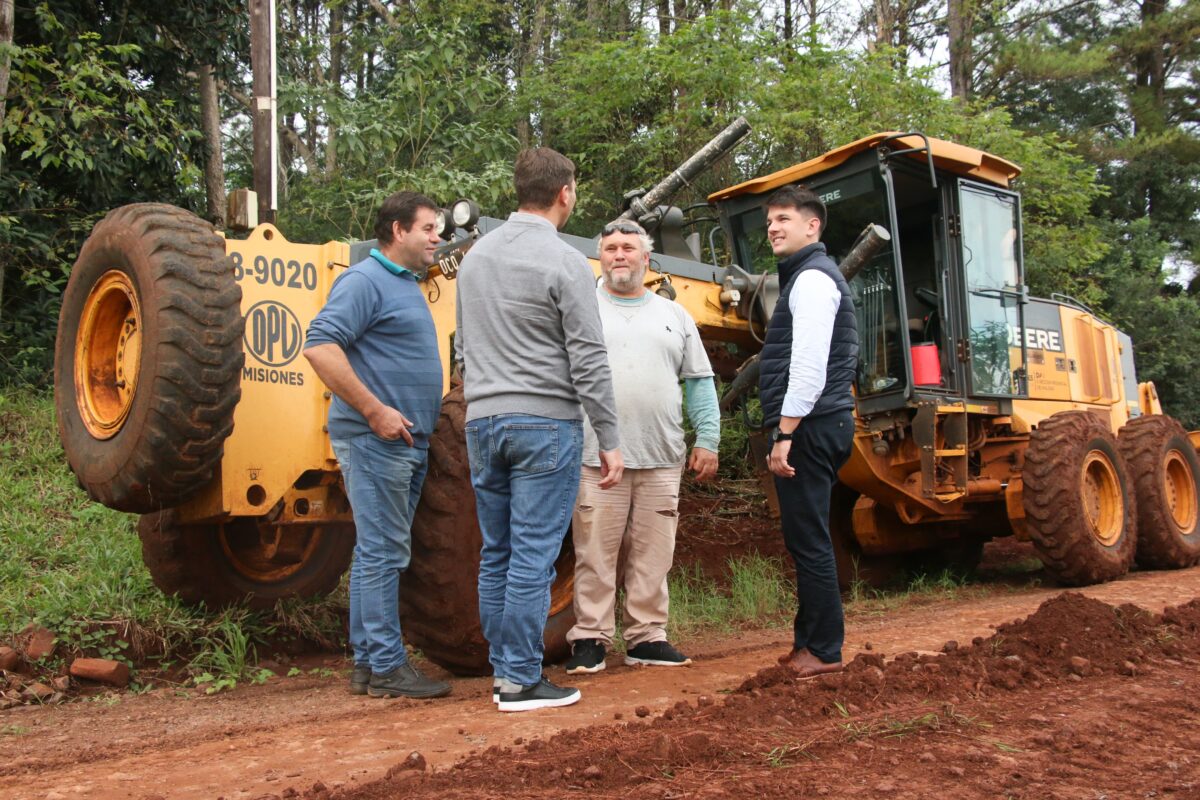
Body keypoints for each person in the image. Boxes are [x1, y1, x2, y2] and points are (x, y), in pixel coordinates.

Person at [454, 147, 625, 712]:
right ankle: (521, 680)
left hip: (482, 422)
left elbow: (464, 345)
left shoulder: (475, 257)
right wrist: (609, 436)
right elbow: (589, 358)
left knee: (497, 552)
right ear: (564, 193)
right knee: (532, 556)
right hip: (545, 422)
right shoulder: (566, 261)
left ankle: (505, 672)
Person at [303, 191, 451, 699]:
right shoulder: (365, 279)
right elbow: (320, 344)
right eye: (429, 229)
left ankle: (370, 664)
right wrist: (374, 410)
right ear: (397, 231)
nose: (438, 238)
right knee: (383, 552)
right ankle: (388, 666)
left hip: (404, 441)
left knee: (378, 552)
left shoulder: (406, 283)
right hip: (376, 439)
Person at [564, 220, 720, 674]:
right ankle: (590, 639)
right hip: (596, 457)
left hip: (662, 456)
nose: (618, 255)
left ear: (645, 260)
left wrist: (707, 438)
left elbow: (700, 382)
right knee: (594, 551)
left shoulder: (675, 316)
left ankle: (647, 637)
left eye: (628, 248)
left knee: (654, 553)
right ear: (600, 258)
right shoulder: (582, 309)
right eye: (610, 248)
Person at [758, 185, 858, 679]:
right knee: (808, 538)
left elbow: (809, 369)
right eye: (770, 221)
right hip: (822, 422)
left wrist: (784, 432)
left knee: (811, 540)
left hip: (811, 426)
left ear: (812, 226)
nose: (773, 227)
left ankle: (822, 650)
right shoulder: (808, 276)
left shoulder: (813, 280)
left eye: (783, 218)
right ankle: (810, 642)